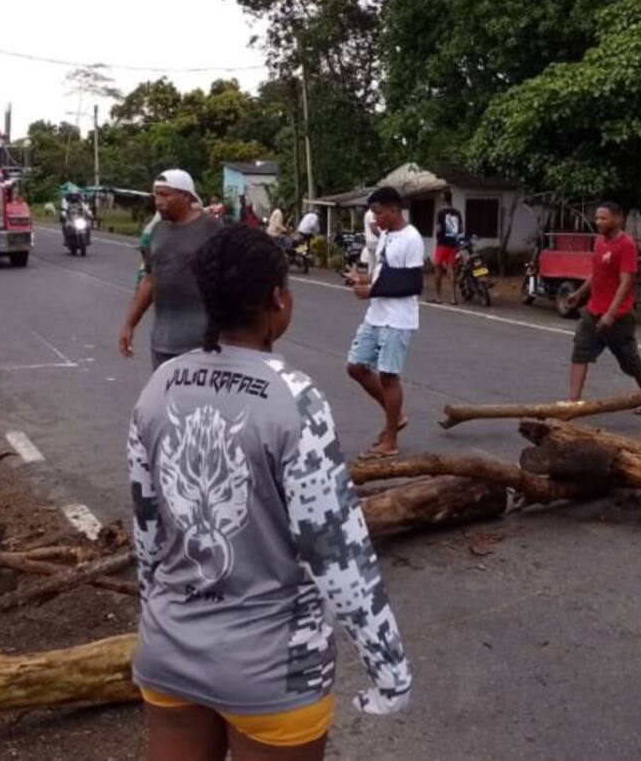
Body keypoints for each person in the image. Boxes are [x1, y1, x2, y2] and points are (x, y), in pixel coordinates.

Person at [128, 224, 411, 761]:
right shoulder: (295, 400)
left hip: (168, 652)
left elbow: (147, 531)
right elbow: (336, 553)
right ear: (278, 300)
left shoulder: (159, 386)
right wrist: (387, 667)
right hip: (273, 671)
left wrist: (157, 616)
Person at [347, 187, 424, 460]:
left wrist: (373, 291)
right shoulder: (387, 235)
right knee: (356, 367)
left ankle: (390, 440)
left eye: (378, 213)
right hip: (376, 314)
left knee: (389, 377)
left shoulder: (411, 238)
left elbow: (413, 283)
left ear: (394, 210)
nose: (375, 219)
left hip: (398, 318)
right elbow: (383, 274)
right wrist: (363, 279)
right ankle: (397, 415)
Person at [120, 170, 223, 368]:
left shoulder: (212, 228)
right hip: (163, 343)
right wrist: (129, 324)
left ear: (186, 196)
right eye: (156, 195)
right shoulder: (157, 232)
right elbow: (149, 282)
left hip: (203, 345)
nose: (159, 201)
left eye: (166, 195)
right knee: (166, 398)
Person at [564, 201, 641, 413]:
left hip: (618, 317)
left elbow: (626, 281)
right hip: (593, 312)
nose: (599, 222)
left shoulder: (626, 244)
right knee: (580, 352)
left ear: (618, 219)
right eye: (597, 218)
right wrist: (579, 293)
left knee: (629, 361)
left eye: (604, 218)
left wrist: (611, 314)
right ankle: (573, 403)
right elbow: (597, 274)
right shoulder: (599, 242)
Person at [430, 190, 462, 305]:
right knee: (451, 269)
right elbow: (460, 229)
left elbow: (438, 228)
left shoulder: (441, 212)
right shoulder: (457, 213)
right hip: (453, 243)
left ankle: (438, 296)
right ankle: (453, 297)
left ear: (444, 198)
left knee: (438, 268)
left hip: (442, 243)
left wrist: (438, 238)